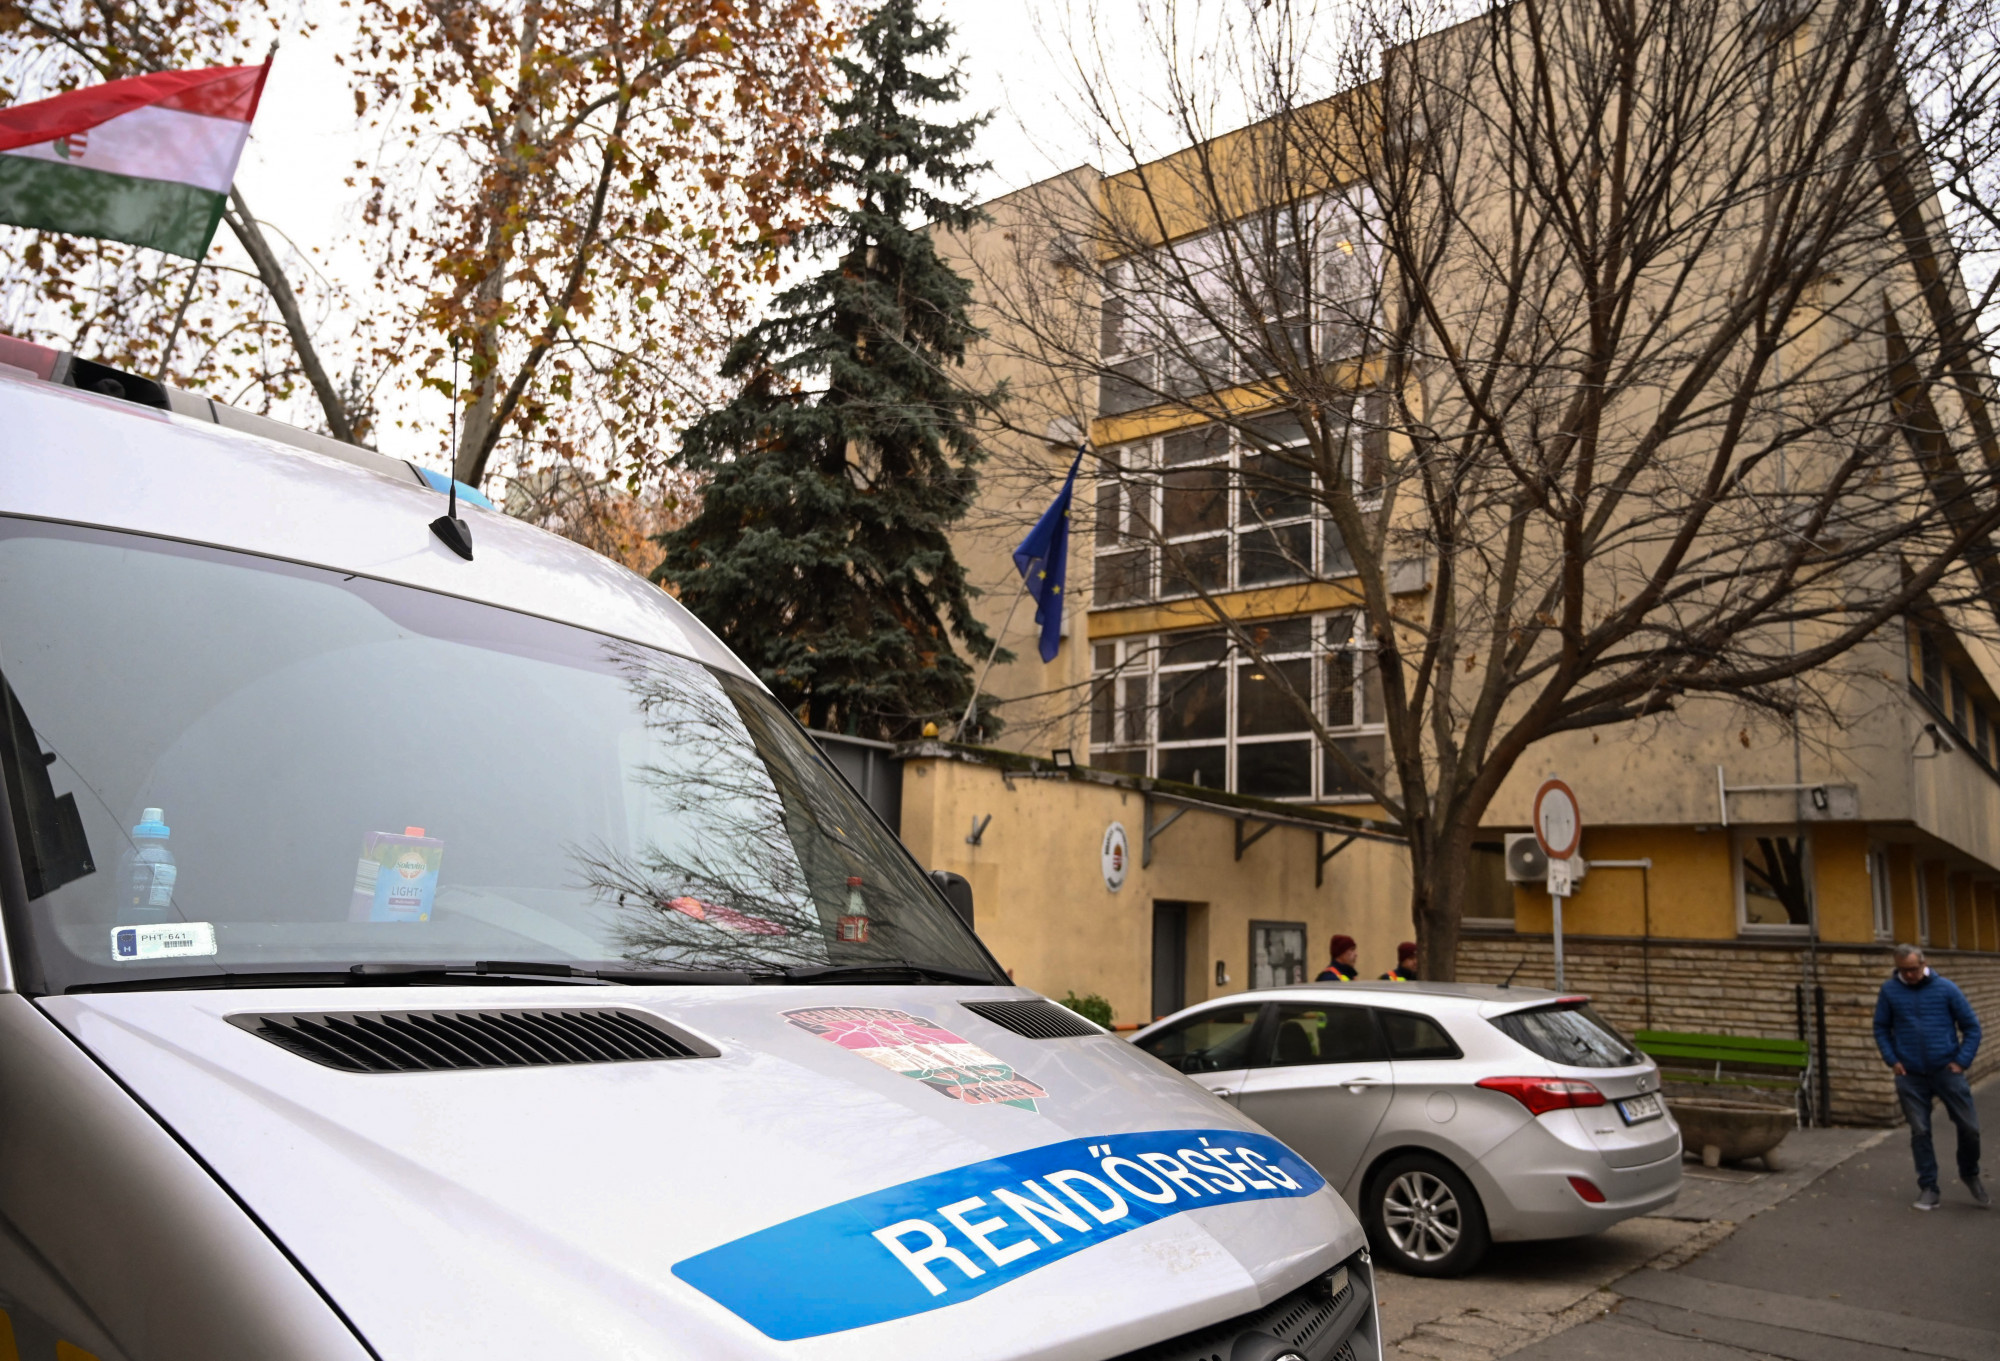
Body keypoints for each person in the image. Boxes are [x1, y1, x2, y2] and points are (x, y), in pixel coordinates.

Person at [1873, 944, 1986, 1211]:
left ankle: (1969, 1172)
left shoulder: (1946, 989)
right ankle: (1928, 1187)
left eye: (1913, 969)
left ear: (1924, 964)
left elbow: (1971, 1027)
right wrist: (1892, 1060)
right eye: (1903, 970)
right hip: (1910, 1074)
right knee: (1920, 1131)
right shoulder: (1889, 991)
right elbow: (1881, 1027)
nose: (1909, 975)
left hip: (1946, 1070)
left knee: (1969, 1128)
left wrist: (1961, 1061)